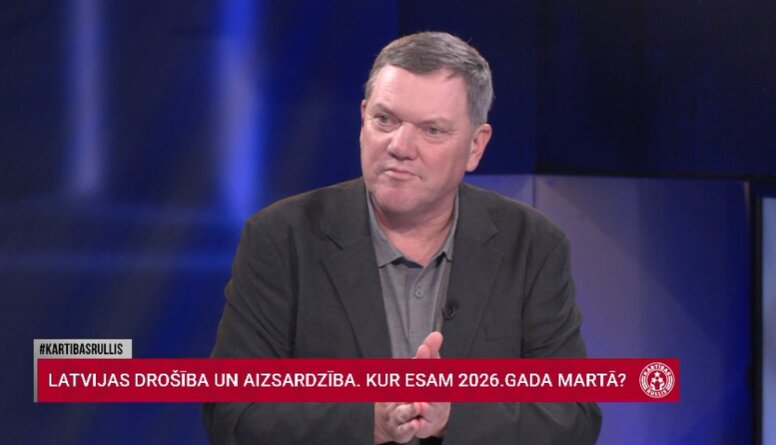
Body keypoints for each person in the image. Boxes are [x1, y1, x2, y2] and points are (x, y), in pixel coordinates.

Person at [203, 31, 602, 444]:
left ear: (475, 146)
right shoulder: (282, 239)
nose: (400, 146)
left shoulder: (531, 245)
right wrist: (372, 420)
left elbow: (572, 417)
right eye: (385, 120)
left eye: (432, 130)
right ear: (363, 120)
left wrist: (453, 415)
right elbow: (233, 411)